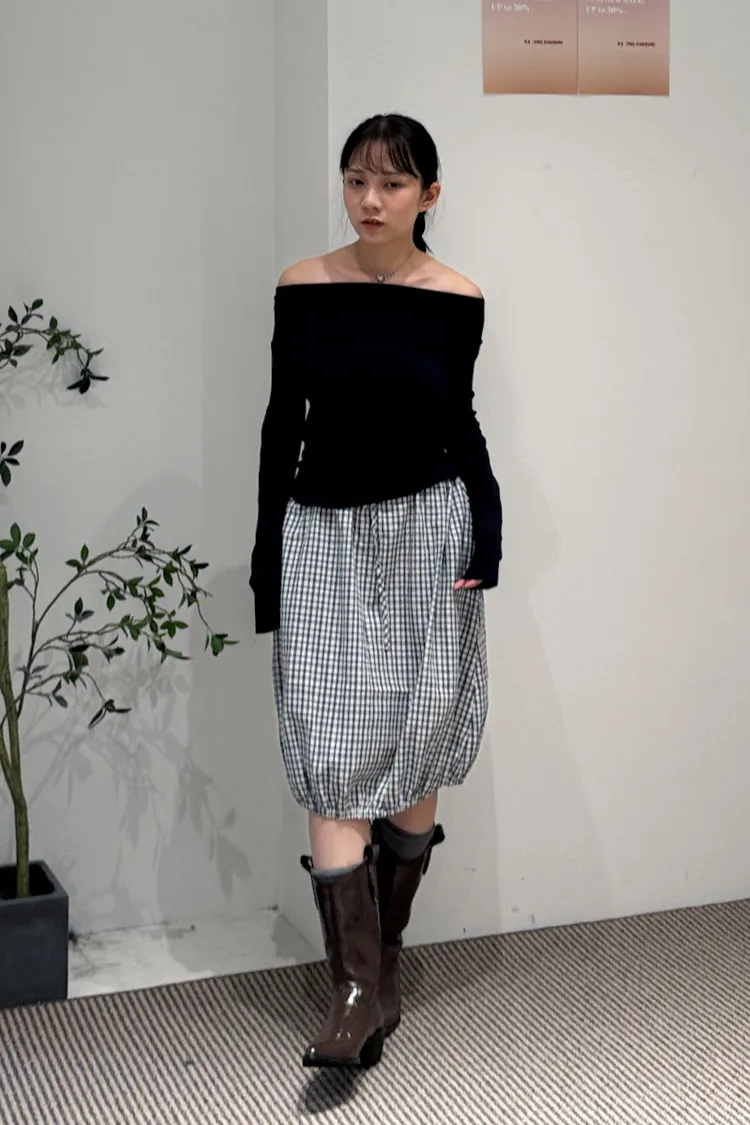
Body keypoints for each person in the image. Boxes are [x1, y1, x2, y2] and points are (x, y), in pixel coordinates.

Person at [249, 113, 502, 1070]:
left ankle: (384, 960)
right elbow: (281, 426)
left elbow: (460, 423)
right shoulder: (302, 287)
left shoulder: (457, 298)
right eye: (356, 179)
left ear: (429, 195)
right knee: (329, 744)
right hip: (323, 533)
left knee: (419, 730)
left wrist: (489, 532)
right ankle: (353, 990)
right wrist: (268, 559)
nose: (369, 199)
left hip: (431, 528)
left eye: (392, 184)